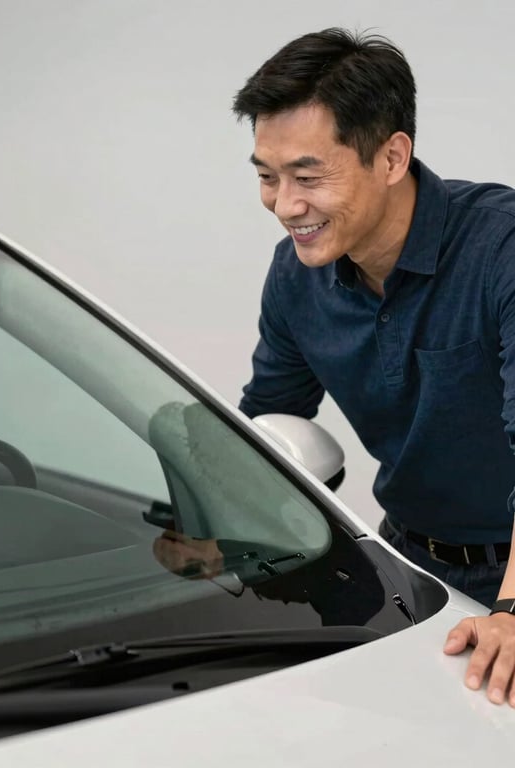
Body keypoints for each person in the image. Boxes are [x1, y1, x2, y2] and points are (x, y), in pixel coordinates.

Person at [230, 27, 515, 706]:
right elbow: (267, 426)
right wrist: (208, 522)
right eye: (267, 177)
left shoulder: (501, 250)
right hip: (410, 564)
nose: (284, 205)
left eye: (307, 175)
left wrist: (513, 613)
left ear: (391, 157)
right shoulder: (297, 279)